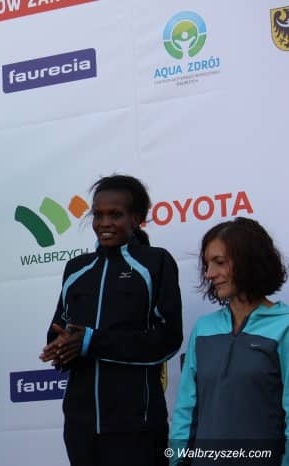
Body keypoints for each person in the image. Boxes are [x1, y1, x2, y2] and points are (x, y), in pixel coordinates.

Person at [39, 174, 183, 466]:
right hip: (80, 426)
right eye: (98, 214)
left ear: (136, 218)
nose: (104, 223)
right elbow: (60, 331)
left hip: (137, 425)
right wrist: (59, 348)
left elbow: (168, 339)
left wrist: (92, 341)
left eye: (115, 214)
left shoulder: (156, 262)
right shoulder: (76, 269)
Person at [170, 217, 288, 465]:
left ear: (249, 261)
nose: (209, 274)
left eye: (220, 262)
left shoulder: (284, 327)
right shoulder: (203, 328)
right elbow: (186, 409)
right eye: (207, 264)